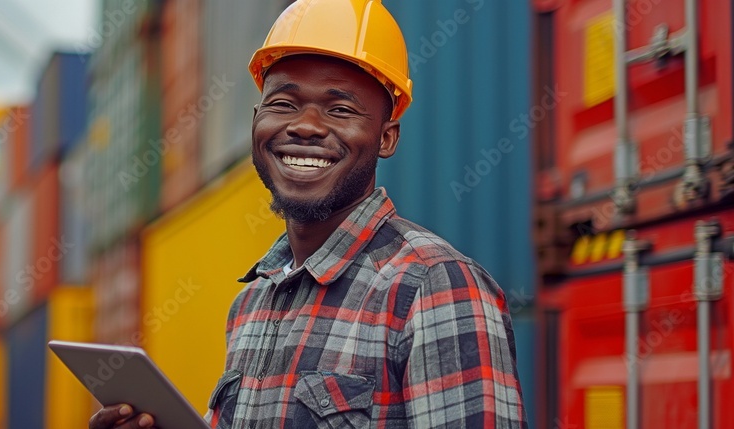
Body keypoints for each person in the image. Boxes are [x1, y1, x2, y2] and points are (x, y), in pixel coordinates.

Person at [89, 0, 527, 427]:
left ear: (387, 138)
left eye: (340, 109)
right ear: (256, 121)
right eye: (284, 104)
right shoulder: (252, 303)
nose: (306, 125)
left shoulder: (433, 286)